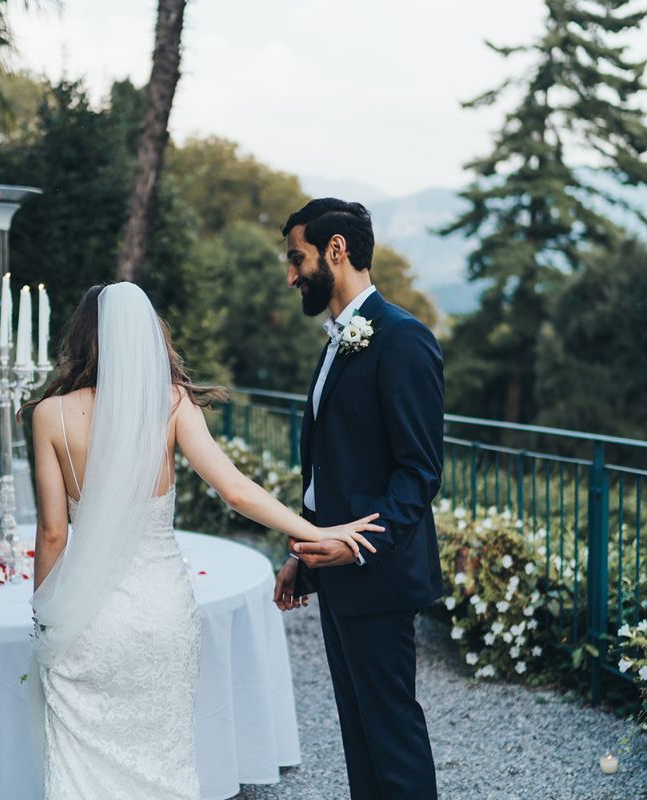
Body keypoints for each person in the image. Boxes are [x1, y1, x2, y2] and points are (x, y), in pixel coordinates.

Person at [23, 282, 384, 800]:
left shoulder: (49, 415)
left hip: (88, 619)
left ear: (83, 338)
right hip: (161, 613)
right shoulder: (169, 404)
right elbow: (235, 489)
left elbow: (54, 531)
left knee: (85, 762)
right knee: (163, 759)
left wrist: (45, 616)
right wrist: (317, 531)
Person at [273, 198, 444, 800]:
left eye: (297, 258)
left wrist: (356, 548)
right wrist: (308, 545)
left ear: (335, 251)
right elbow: (333, 464)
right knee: (360, 737)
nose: (291, 275)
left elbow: (419, 471)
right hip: (336, 568)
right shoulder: (338, 342)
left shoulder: (403, 340)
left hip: (378, 571)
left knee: (393, 738)